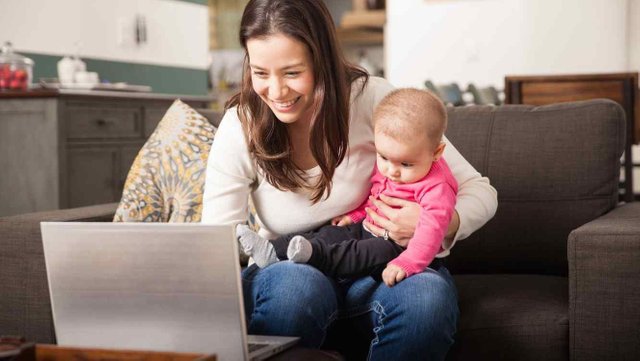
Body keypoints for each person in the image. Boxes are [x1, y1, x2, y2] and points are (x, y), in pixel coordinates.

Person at [201, 0, 498, 359]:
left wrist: (441, 222)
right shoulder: (241, 123)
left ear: (322, 60)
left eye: (292, 73)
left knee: (426, 297)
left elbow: (478, 190)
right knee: (298, 287)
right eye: (261, 73)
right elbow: (216, 244)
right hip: (292, 271)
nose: (276, 91)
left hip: (374, 273)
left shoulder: (372, 97)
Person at [235, 88, 458, 288]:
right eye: (384, 157)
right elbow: (377, 196)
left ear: (436, 152)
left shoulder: (437, 187)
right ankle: (272, 250)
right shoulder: (395, 161)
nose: (392, 171)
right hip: (368, 226)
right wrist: (356, 215)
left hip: (400, 248)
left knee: (361, 253)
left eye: (406, 164)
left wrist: (409, 262)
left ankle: (314, 257)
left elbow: (432, 230)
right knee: (328, 233)